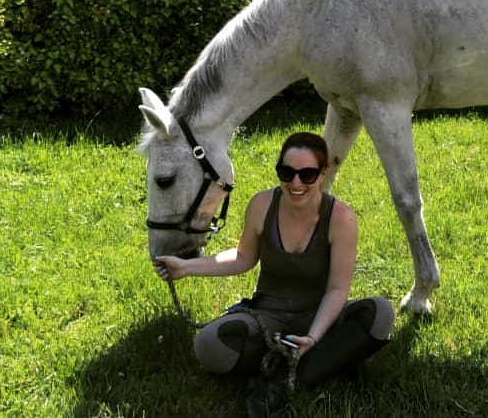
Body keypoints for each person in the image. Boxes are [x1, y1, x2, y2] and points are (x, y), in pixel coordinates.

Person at [153, 131, 395, 417]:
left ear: (323, 174)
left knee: (380, 314)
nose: (296, 183)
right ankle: (321, 362)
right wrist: (185, 267)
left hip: (318, 316)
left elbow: (337, 290)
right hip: (267, 316)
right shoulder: (262, 205)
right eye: (286, 172)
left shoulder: (341, 218)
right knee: (208, 345)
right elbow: (243, 257)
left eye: (307, 175)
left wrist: (313, 338)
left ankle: (283, 372)